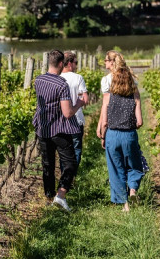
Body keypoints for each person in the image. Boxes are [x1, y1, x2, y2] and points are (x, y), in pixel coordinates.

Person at [33, 49, 88, 211]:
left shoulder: (38, 80)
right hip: (59, 130)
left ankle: (49, 198)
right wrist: (79, 103)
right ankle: (61, 195)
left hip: (43, 128)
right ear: (60, 64)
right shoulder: (61, 84)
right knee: (70, 163)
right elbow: (67, 112)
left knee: (47, 164)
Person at [96, 50, 144, 212]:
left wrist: (102, 130)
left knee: (115, 168)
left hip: (112, 133)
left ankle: (124, 204)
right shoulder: (133, 91)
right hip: (129, 134)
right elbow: (139, 122)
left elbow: (105, 109)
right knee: (135, 165)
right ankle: (133, 190)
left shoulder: (109, 90)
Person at [60, 51, 88, 166]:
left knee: (63, 152)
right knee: (76, 150)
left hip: (61, 121)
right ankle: (72, 177)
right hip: (76, 118)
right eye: (76, 62)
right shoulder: (78, 78)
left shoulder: (57, 78)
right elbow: (85, 99)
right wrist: (79, 102)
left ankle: (65, 178)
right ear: (70, 63)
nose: (76, 65)